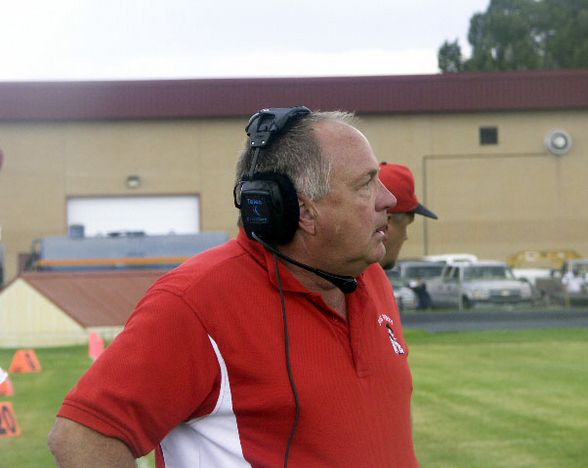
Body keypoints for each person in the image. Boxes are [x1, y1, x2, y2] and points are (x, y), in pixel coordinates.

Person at [48, 108, 420, 467]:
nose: (387, 199)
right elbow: (82, 436)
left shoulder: (370, 278)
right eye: (366, 184)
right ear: (303, 211)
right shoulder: (193, 303)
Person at [378, 162, 437, 309]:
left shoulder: (371, 284)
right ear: (386, 221)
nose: (405, 237)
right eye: (405, 225)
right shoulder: (359, 292)